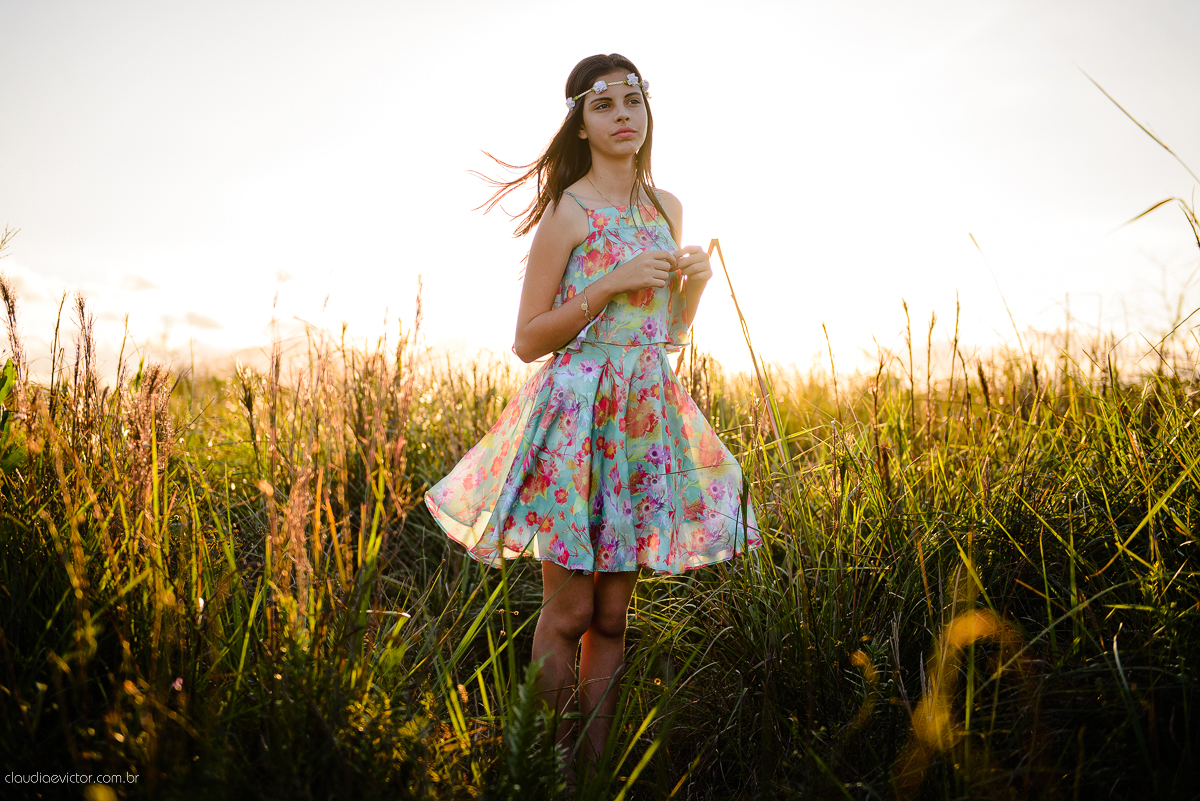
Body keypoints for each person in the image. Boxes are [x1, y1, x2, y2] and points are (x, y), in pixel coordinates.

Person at [425, 52, 760, 778]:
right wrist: (606, 284)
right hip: (577, 416)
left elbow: (665, 335)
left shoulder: (666, 207)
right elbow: (526, 340)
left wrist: (692, 289)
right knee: (569, 612)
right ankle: (537, 765)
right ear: (580, 121)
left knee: (612, 616)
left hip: (641, 413)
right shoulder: (569, 211)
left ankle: (592, 772)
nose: (622, 115)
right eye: (603, 104)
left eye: (633, 100)